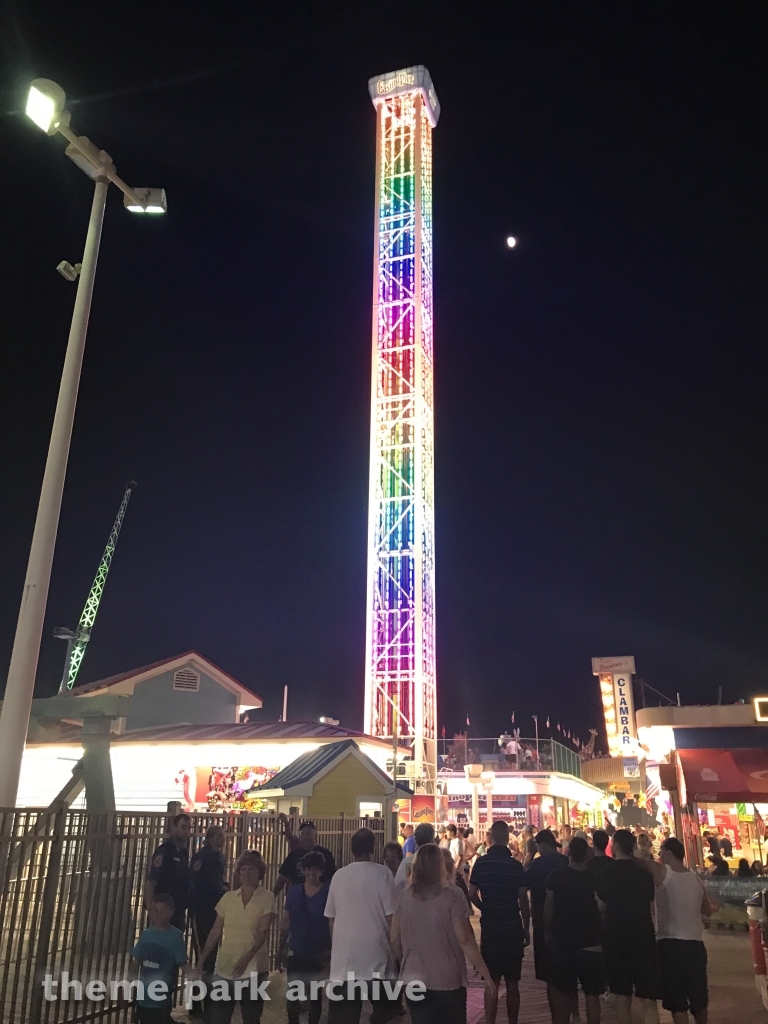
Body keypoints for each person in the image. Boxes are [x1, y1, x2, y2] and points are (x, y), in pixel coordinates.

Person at [392, 842, 494, 1024]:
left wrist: (405, 960)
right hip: (447, 979)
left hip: (413, 977)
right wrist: (486, 974)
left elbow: (394, 938)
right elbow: (465, 940)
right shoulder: (451, 897)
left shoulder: (403, 897)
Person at [325, 827, 399, 1024]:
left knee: (343, 1017)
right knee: (387, 1009)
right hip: (377, 957)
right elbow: (393, 918)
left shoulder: (338, 876)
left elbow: (331, 919)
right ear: (373, 848)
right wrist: (397, 952)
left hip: (345, 961)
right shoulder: (383, 874)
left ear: (352, 849)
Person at [198, 850, 276, 1023]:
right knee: (219, 1018)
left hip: (254, 969)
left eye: (252, 869)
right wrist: (202, 960)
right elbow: (216, 930)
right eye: (243, 869)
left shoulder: (266, 897)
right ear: (238, 873)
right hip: (226, 967)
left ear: (259, 873)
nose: (247, 873)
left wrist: (247, 958)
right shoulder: (228, 898)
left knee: (251, 1017)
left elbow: (263, 932)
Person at [641, 837, 712, 1024]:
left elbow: (643, 864)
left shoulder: (664, 872)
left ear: (669, 853)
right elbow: (707, 910)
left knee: (677, 1001)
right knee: (699, 1000)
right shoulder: (696, 879)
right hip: (696, 946)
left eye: (661, 851)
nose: (659, 855)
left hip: (670, 944)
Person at [594, 830, 661, 1024]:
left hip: (616, 936)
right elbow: (651, 904)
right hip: (643, 935)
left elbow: (602, 906)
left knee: (622, 997)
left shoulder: (605, 874)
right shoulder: (644, 875)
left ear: (614, 846)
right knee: (648, 999)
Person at [468, 820, 530, 1024]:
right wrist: (526, 927)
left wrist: (484, 907)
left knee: (491, 981)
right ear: (507, 838)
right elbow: (522, 899)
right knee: (513, 983)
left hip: (491, 928)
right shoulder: (515, 866)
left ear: (491, 838)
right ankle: (513, 1021)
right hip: (512, 926)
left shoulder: (481, 864)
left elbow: (471, 894)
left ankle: (490, 1021)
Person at [545, 837, 605, 1024]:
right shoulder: (593, 877)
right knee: (592, 994)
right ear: (586, 854)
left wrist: (547, 932)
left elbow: (549, 907)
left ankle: (572, 1017)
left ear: (568, 853)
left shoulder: (555, 876)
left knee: (563, 991)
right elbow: (602, 907)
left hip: (564, 941)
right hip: (591, 942)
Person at [281, 850, 331, 1024]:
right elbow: (286, 921)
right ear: (303, 870)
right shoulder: (294, 892)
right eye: (308, 869)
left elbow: (331, 922)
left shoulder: (328, 892)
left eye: (315, 869)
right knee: (293, 993)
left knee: (315, 995)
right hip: (297, 948)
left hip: (318, 951)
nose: (311, 873)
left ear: (321, 871)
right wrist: (282, 945)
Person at [523, 829, 568, 995]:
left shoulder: (537, 865)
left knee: (548, 968)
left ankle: (556, 1005)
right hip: (564, 918)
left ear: (541, 845)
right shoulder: (565, 861)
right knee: (566, 968)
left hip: (541, 918)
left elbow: (523, 885)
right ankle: (573, 1010)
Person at [189, 825, 228, 1018]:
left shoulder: (219, 857)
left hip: (215, 911)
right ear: (211, 837)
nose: (223, 838)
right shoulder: (202, 857)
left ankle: (208, 1003)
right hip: (201, 911)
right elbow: (193, 881)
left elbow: (219, 881)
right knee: (202, 957)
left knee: (211, 957)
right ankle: (197, 1004)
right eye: (220, 835)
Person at [130, 894, 188, 1023]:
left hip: (161, 997)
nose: (158, 914)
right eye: (155, 910)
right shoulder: (146, 934)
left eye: (162, 910)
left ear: (171, 912)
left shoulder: (175, 936)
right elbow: (136, 963)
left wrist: (194, 975)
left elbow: (182, 962)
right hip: (143, 996)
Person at [145, 813, 192, 931]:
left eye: (188, 828)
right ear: (174, 827)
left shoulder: (183, 852)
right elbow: (152, 881)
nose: (186, 831)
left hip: (177, 909)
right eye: (183, 827)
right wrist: (151, 910)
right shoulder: (164, 851)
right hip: (163, 910)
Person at [274, 821, 337, 894]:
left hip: (319, 895)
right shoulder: (293, 855)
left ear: (315, 835)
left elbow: (333, 877)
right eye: (303, 833)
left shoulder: (326, 854)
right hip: (297, 896)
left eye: (309, 833)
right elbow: (283, 877)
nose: (306, 836)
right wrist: (273, 895)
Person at [395, 822, 434, 890]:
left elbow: (397, 885)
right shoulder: (439, 862)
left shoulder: (407, 862)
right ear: (432, 839)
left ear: (416, 839)